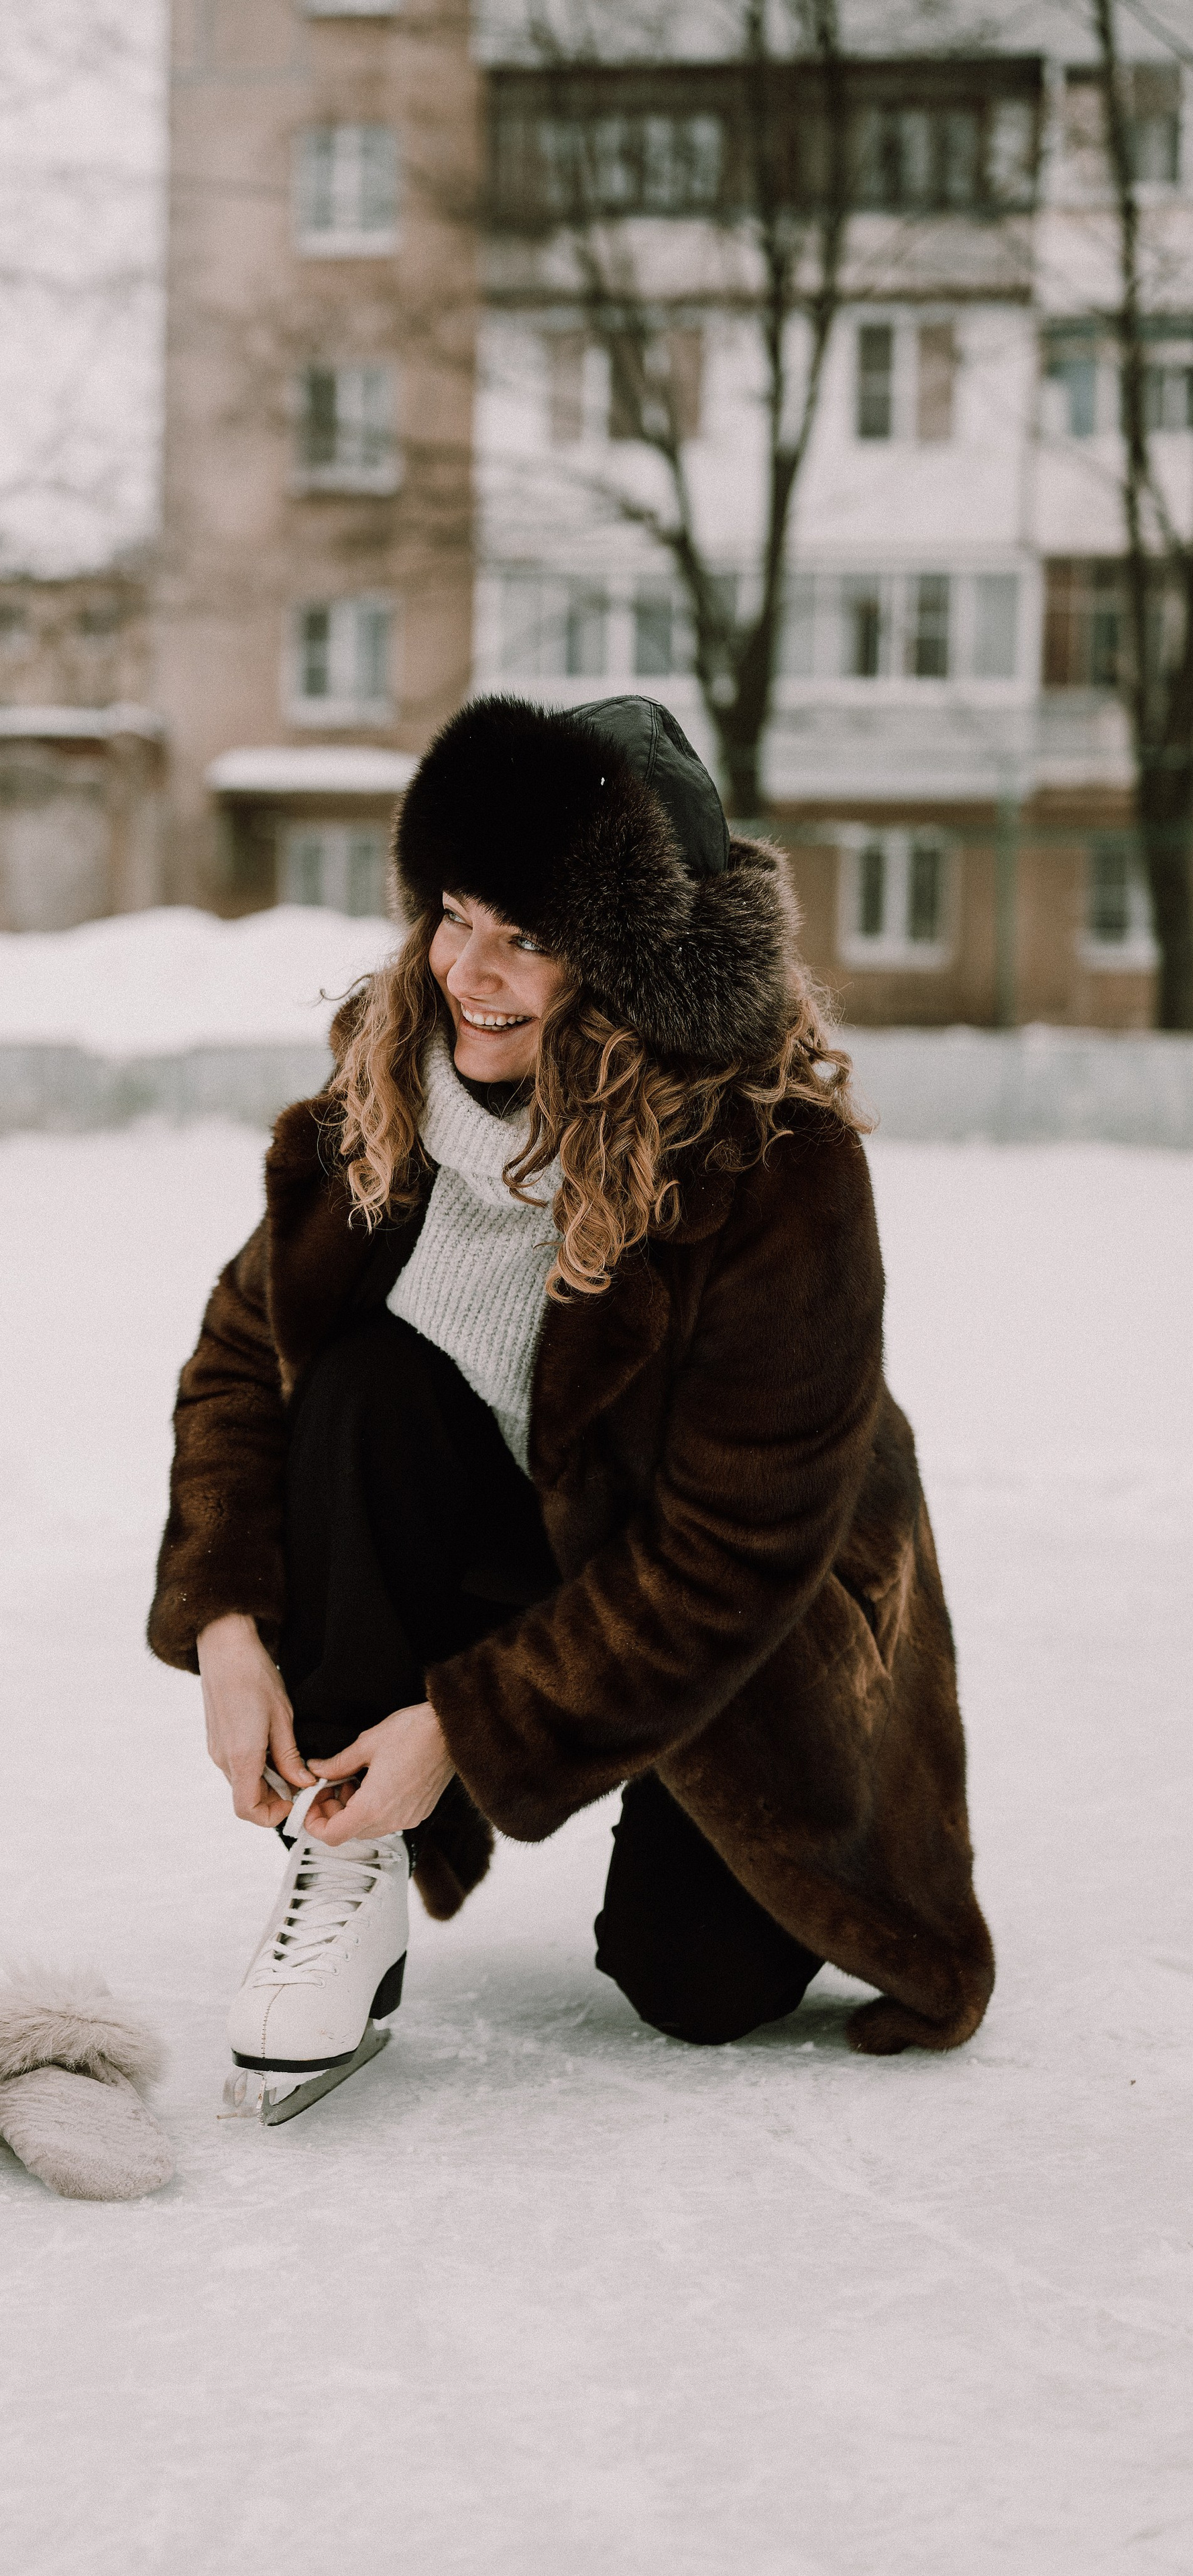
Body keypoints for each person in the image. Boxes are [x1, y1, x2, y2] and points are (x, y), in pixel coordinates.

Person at [148, 694, 994, 2084]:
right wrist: (227, 1621)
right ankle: (346, 1871)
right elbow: (242, 1358)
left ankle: (639, 1804)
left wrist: (471, 1729)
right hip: (516, 1534)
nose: (466, 970)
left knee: (697, 1984)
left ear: (629, 973)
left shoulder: (775, 1174)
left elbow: (735, 1553)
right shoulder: (385, 1096)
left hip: (740, 1622)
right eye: (455, 912)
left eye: (527, 939)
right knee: (355, 1387)